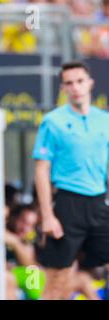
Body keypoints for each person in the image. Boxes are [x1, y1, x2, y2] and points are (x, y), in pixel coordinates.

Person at [33, 61, 109, 299]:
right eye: (69, 83)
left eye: (80, 81)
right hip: (67, 204)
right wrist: (47, 215)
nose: (75, 87)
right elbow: (41, 169)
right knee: (57, 279)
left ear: (90, 83)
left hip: (99, 202)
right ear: (63, 88)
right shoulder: (53, 121)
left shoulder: (104, 120)